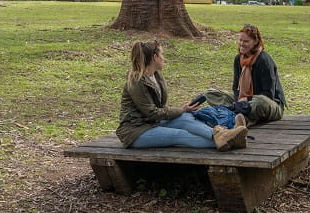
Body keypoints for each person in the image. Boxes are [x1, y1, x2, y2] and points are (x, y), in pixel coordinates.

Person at [116, 40, 247, 151]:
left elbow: (160, 109)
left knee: (185, 118)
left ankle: (223, 135)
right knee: (179, 134)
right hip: (134, 132)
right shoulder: (136, 81)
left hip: (152, 123)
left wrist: (182, 111)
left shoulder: (155, 75)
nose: (163, 58)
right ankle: (229, 141)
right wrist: (179, 110)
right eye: (161, 54)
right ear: (154, 57)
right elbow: (152, 113)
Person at [230, 24, 286, 124]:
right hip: (244, 102)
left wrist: (247, 99)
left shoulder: (264, 60)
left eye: (246, 41)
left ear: (255, 42)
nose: (241, 44)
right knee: (213, 94)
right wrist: (239, 101)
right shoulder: (238, 58)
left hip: (269, 104)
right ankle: (240, 113)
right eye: (240, 40)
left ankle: (242, 117)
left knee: (258, 102)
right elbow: (235, 88)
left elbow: (269, 94)